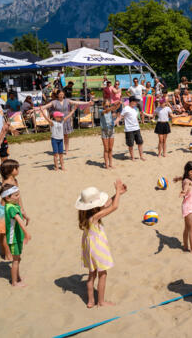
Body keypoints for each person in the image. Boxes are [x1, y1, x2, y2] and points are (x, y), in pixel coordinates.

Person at [76, 179, 127, 307]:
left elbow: (108, 203)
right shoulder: (95, 217)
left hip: (89, 249)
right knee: (102, 275)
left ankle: (90, 301)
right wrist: (117, 191)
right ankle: (101, 301)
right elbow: (114, 206)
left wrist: (118, 194)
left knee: (91, 275)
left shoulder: (86, 216)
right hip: (97, 248)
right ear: (95, 207)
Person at [41, 89, 91, 155]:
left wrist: (87, 102)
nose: (61, 96)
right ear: (57, 95)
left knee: (66, 135)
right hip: (58, 121)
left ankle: (66, 150)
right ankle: (59, 149)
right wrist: (34, 109)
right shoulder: (54, 102)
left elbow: (77, 102)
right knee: (58, 136)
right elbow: (44, 107)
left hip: (66, 120)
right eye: (60, 94)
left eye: (62, 94)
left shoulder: (67, 101)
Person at [0, 184, 31, 287]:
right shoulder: (10, 208)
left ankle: (18, 277)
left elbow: (20, 212)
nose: (18, 197)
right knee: (16, 260)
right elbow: (18, 219)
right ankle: (14, 282)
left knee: (18, 258)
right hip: (13, 239)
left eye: (18, 194)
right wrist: (26, 233)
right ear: (7, 198)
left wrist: (26, 216)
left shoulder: (12, 205)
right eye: (16, 195)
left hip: (17, 236)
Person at [0, 159, 27, 261]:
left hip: (12, 208)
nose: (18, 170)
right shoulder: (7, 183)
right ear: (9, 171)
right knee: (4, 233)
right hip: (4, 210)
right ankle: (6, 253)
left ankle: (5, 250)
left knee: (6, 232)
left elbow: (18, 196)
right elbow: (8, 198)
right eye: (16, 168)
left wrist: (21, 208)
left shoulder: (14, 180)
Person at [174, 161, 192, 253]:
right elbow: (185, 186)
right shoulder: (187, 181)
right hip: (189, 208)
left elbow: (183, 179)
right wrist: (184, 192)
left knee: (187, 228)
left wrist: (178, 178)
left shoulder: (187, 178)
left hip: (189, 206)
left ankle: (185, 246)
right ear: (191, 172)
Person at [39, 106, 77, 171]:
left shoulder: (62, 122)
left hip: (60, 140)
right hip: (54, 140)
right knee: (55, 154)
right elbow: (46, 118)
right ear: (56, 117)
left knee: (61, 155)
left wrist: (73, 110)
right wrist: (42, 111)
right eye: (60, 116)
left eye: (61, 116)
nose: (62, 117)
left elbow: (68, 116)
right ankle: (56, 166)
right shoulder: (52, 123)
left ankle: (62, 167)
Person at [116, 96, 151, 161]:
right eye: (135, 101)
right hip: (129, 129)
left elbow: (136, 118)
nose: (136, 102)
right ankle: (132, 157)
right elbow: (120, 117)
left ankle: (141, 156)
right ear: (131, 101)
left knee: (140, 142)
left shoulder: (135, 108)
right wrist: (114, 123)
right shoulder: (126, 108)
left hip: (137, 128)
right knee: (130, 144)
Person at [100, 100, 121, 169]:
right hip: (104, 131)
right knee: (106, 149)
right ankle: (106, 165)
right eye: (106, 105)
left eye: (108, 105)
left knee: (110, 148)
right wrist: (112, 106)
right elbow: (107, 110)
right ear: (103, 105)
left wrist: (119, 103)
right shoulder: (101, 111)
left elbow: (116, 108)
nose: (107, 107)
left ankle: (110, 164)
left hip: (111, 130)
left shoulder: (110, 110)